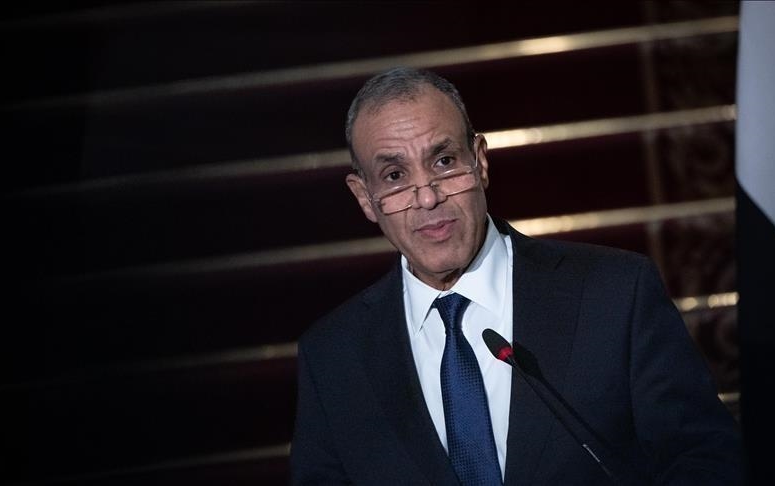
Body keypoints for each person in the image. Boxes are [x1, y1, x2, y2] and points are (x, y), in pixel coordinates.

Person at [290, 67, 744, 485]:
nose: (427, 198)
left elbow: (705, 460)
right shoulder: (333, 358)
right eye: (394, 175)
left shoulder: (615, 294)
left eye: (444, 161)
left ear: (480, 161)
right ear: (365, 198)